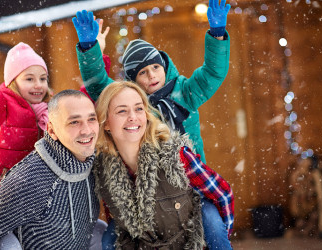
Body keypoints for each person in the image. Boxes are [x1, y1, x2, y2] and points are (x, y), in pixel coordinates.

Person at [72, 1, 233, 248]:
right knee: (110, 239)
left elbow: (212, 73)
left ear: (164, 66)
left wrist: (217, 34)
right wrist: (89, 48)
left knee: (212, 225)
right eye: (143, 73)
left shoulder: (185, 92)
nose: (152, 76)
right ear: (133, 81)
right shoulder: (133, 103)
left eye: (155, 67)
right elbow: (97, 86)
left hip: (189, 183)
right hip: (145, 191)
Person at [0, 12, 110, 214]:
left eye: (43, 78)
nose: (38, 85)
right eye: (29, 79)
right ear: (13, 81)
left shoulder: (51, 112)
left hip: (37, 200)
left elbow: (84, 99)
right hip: (0, 201)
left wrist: (94, 54)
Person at [93, 81, 234, 249]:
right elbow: (116, 218)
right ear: (106, 123)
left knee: (209, 213)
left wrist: (219, 236)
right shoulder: (104, 171)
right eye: (122, 111)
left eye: (139, 108)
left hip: (189, 243)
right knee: (109, 236)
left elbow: (222, 194)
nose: (133, 116)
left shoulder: (174, 156)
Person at [0, 89, 100, 249]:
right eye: (74, 122)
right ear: (51, 130)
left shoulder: (94, 167)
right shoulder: (31, 178)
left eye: (91, 119)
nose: (87, 130)